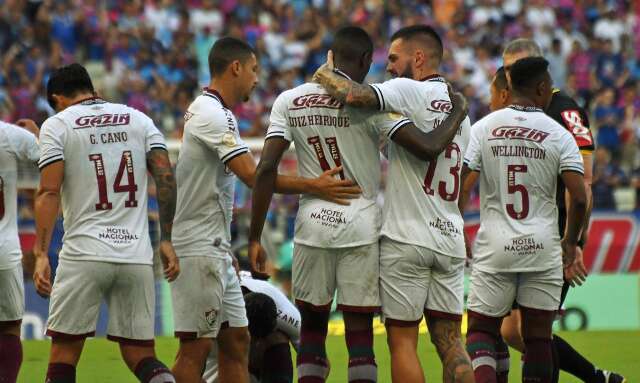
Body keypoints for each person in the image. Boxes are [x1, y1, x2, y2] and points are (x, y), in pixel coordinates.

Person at [170, 36, 362, 383]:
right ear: (236, 67)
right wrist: (313, 184)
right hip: (197, 248)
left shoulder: (215, 112)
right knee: (194, 350)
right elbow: (252, 175)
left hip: (215, 247)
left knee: (237, 340)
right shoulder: (212, 114)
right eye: (254, 70)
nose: (258, 79)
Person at [312, 25, 473, 383]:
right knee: (451, 343)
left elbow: (352, 95)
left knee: (402, 343)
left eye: (394, 59)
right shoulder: (461, 114)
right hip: (448, 236)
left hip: (407, 237)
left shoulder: (408, 90)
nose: (388, 68)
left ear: (418, 58)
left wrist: (325, 72)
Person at [33, 63, 179, 383]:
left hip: (84, 253)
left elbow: (48, 192)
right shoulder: (139, 119)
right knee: (142, 355)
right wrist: (166, 239)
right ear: (93, 90)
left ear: (57, 99)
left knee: (63, 356)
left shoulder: (57, 125)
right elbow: (166, 178)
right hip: (136, 254)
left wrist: (42, 254)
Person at [499, 38, 626, 383]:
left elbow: (584, 181)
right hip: (521, 236)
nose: (512, 77)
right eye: (507, 70)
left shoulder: (566, 112)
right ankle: (599, 378)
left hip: (555, 237)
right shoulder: (513, 112)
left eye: (518, 67)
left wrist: (576, 242)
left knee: (532, 329)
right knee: (512, 331)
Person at [461, 57, 587, 383]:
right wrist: (571, 243)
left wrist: (458, 226)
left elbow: (463, 184)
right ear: (542, 87)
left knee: (481, 331)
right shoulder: (559, 135)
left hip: (496, 244)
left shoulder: (483, 128)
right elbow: (581, 196)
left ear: (508, 87)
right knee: (538, 337)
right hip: (543, 245)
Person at [202, 271, 301, 383]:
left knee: (278, 338)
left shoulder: (289, 317)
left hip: (264, 345)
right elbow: (188, 360)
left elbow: (312, 358)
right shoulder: (211, 308)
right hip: (223, 332)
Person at [0, 119, 39, 383]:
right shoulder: (9, 135)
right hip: (3, 251)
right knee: (10, 328)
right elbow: (54, 160)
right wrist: (39, 136)